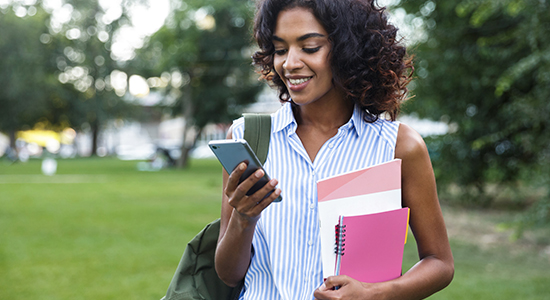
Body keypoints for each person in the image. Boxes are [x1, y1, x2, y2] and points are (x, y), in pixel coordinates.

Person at [214, 0, 454, 299]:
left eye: (310, 47)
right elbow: (228, 273)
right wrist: (243, 218)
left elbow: (440, 263)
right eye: (280, 49)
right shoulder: (248, 137)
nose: (289, 63)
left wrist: (373, 294)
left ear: (347, 49)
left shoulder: (399, 146)